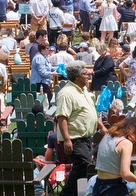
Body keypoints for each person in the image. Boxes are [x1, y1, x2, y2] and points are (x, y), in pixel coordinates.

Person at [57, 61, 101, 196]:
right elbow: (62, 117)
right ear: (76, 76)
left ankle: (78, 192)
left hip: (85, 138)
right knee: (84, 164)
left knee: (85, 166)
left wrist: (102, 127)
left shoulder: (83, 91)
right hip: (74, 139)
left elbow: (89, 112)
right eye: (85, 73)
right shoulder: (66, 93)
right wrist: (67, 140)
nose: (88, 75)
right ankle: (67, 193)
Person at [93, 115, 136, 196]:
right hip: (114, 188)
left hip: (98, 185)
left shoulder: (107, 137)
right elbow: (125, 174)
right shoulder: (126, 143)